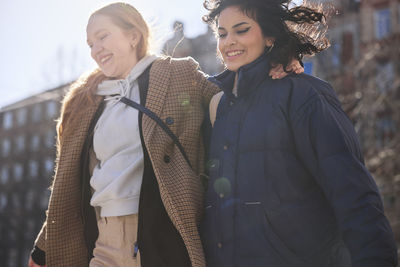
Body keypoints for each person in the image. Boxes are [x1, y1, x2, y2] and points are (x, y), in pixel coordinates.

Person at [28, 2, 302, 267]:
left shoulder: (176, 74)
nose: (95, 50)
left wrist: (274, 61)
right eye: (90, 44)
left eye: (102, 37)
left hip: (161, 235)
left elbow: (232, 96)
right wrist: (42, 248)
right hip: (103, 240)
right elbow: (67, 183)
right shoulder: (85, 101)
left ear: (133, 36)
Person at [201, 0, 398, 267]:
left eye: (242, 30)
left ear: (269, 36)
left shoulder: (304, 94)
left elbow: (353, 194)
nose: (228, 42)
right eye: (222, 34)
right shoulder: (218, 106)